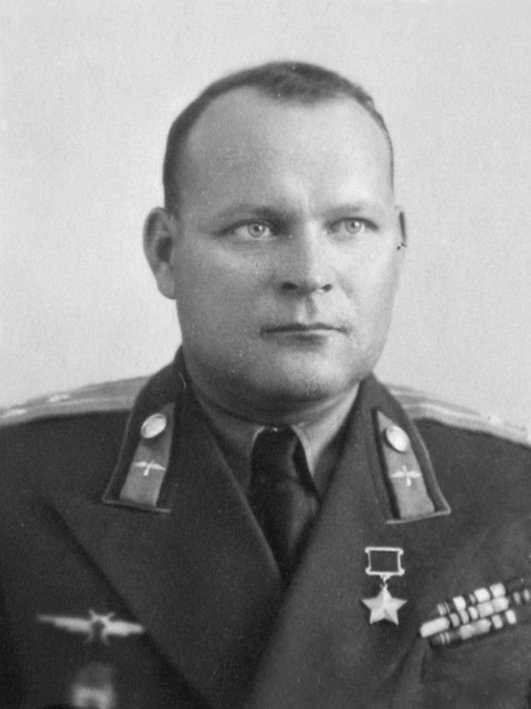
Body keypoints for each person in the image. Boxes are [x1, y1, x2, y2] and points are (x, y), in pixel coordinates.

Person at [1, 61, 531, 709]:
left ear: (398, 244)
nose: (310, 273)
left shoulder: (513, 493)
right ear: (166, 253)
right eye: (257, 227)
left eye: (350, 225)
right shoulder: (17, 481)